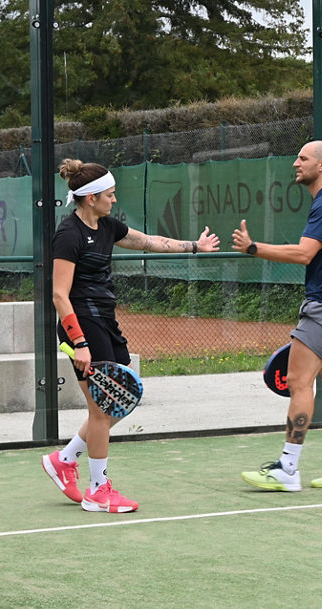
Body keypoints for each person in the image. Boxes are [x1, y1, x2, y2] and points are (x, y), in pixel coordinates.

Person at [42, 158, 220, 513]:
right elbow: (59, 295)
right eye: (109, 194)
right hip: (83, 324)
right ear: (90, 198)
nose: (114, 199)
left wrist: (195, 246)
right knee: (102, 407)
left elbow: (150, 242)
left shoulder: (107, 226)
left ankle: (65, 460)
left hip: (105, 319)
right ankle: (98, 489)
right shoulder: (68, 234)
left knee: (122, 398)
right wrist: (79, 343)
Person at [234, 140, 322, 492]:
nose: (296, 163)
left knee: (298, 381)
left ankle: (288, 467)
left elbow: (304, 253)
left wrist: (254, 248)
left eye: (303, 158)